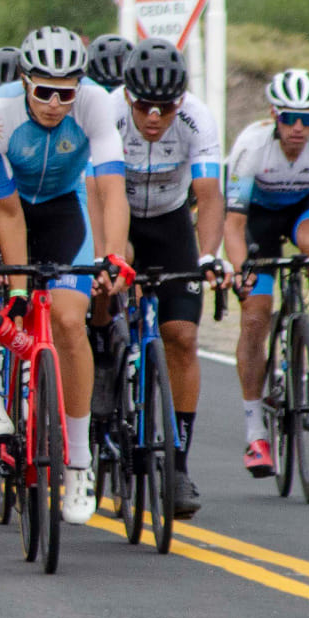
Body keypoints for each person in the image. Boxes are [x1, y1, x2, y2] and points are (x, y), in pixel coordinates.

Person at [0, 26, 134, 525]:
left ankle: (78, 462)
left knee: (70, 322)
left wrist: (114, 255)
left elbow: (111, 187)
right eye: (44, 92)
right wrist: (16, 288)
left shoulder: (95, 105)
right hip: (1, 203)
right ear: (24, 81)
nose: (56, 104)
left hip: (61, 207)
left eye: (66, 93)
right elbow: (8, 212)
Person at [112, 38, 224, 514]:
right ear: (127, 97)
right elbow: (95, 192)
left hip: (171, 221)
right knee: (110, 283)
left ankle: (177, 465)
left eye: (166, 107)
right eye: (143, 106)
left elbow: (210, 194)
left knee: (181, 335)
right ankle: (104, 373)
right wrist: (111, 255)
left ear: (181, 101)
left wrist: (208, 256)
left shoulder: (197, 118)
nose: (154, 117)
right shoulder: (109, 116)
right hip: (120, 217)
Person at [224, 68, 309, 478]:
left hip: (305, 208)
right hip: (257, 221)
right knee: (254, 318)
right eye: (289, 118)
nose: (298, 128)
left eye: (308, 118)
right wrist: (241, 272)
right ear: (273, 115)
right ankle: (255, 434)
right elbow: (233, 225)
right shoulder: (251, 147)